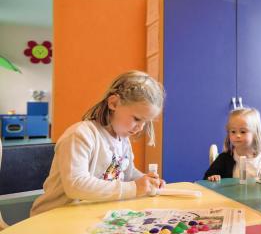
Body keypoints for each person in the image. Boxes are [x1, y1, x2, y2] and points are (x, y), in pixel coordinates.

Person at [30, 71, 165, 216]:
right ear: (113, 103)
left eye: (146, 122)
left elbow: (127, 173)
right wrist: (134, 188)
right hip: (55, 217)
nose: (141, 127)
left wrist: (146, 181)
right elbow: (76, 185)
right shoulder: (80, 135)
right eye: (137, 119)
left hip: (91, 215)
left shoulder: (122, 139)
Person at [204, 108, 261, 181]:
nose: (237, 135)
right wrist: (212, 178)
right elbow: (206, 179)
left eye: (243, 131)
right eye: (233, 131)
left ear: (255, 134)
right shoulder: (224, 158)